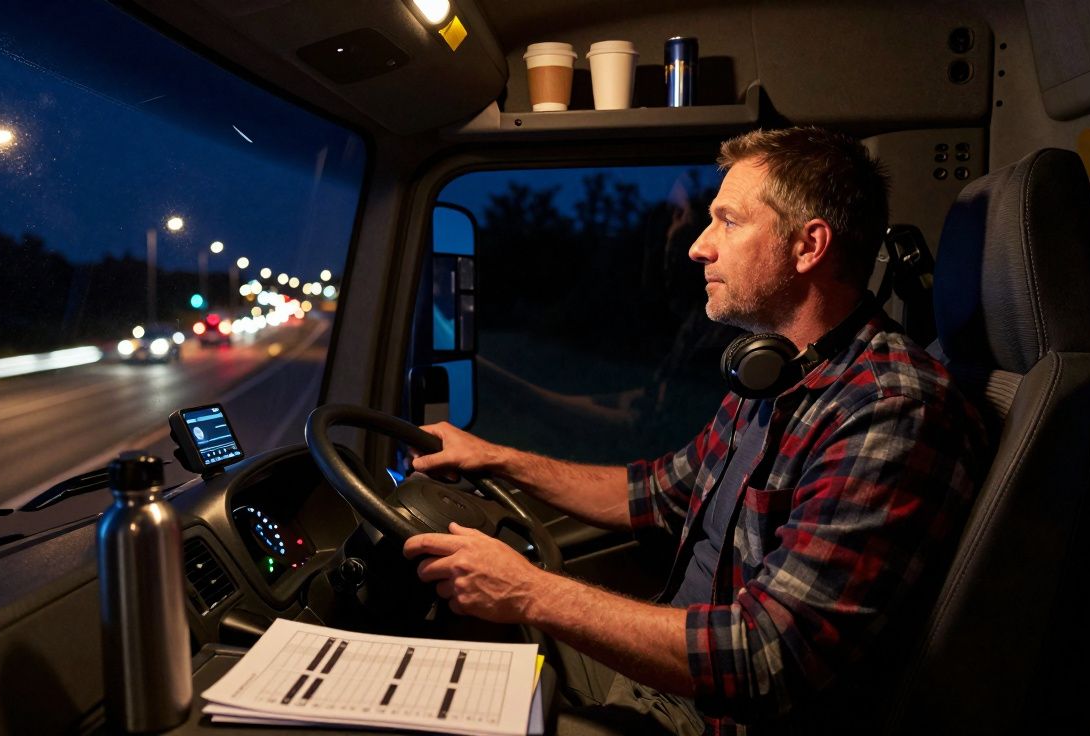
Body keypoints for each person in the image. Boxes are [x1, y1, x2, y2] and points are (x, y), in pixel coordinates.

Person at [402, 127, 988, 734]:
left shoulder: (889, 409)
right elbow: (655, 493)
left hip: (703, 719)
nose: (699, 247)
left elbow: (766, 655)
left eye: (728, 222)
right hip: (663, 684)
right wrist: (494, 458)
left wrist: (529, 592)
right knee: (434, 656)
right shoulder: (774, 374)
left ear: (808, 245)